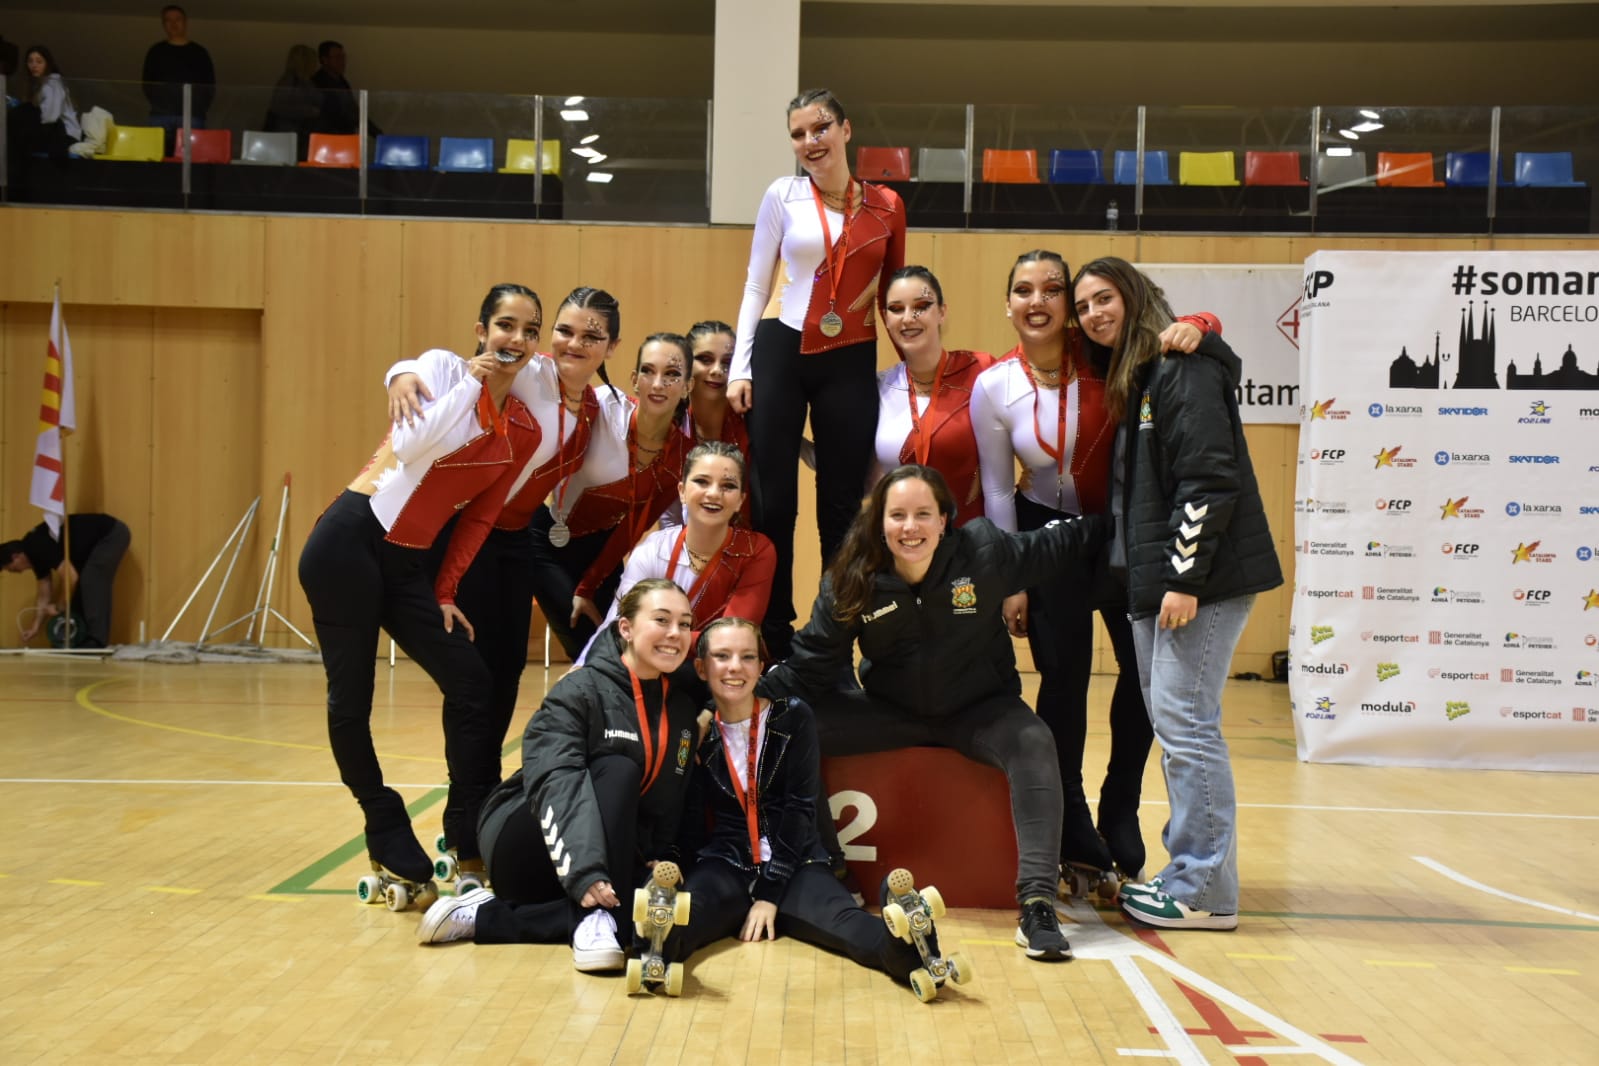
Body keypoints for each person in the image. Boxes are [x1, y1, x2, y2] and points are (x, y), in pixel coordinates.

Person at [762, 464, 1107, 962]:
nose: (910, 527)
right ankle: (833, 869)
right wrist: (736, 704)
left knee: (1034, 740)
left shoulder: (985, 553)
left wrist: (1135, 524)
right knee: (796, 724)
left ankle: (1036, 904)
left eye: (923, 514)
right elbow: (808, 664)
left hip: (980, 710)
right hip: (893, 711)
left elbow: (1069, 540)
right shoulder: (852, 579)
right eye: (898, 515)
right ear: (880, 521)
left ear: (945, 519)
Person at [971, 249, 1221, 894]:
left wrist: (1203, 320)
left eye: (1053, 289)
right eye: (1022, 289)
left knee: (1141, 679)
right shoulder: (995, 384)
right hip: (1046, 540)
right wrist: (1012, 577)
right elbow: (997, 492)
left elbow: (1168, 330)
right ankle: (1073, 823)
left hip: (1121, 535)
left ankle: (1121, 806)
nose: (1039, 301)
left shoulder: (1110, 358)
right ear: (1008, 304)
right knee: (1063, 681)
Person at [296, 283, 543, 902]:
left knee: (472, 681)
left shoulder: (523, 431)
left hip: (407, 568)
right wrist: (468, 386)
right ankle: (382, 820)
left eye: (528, 329)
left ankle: (467, 828)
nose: (515, 338)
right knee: (351, 701)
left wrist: (446, 589)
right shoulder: (438, 369)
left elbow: (481, 517)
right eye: (505, 325)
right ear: (482, 330)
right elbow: (408, 448)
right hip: (349, 544)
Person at [1071, 257, 1282, 931]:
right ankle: (1190, 869)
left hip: (1199, 583)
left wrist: (1184, 580)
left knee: (1187, 725)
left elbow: (1208, 481)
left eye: (1103, 297)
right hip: (1157, 583)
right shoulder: (1144, 375)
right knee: (1177, 724)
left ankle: (1204, 890)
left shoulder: (1180, 367)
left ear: (1133, 298)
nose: (1092, 313)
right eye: (1083, 305)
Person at [652, 618, 961, 999]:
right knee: (685, 920)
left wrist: (769, 892)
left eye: (748, 657)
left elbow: (801, 808)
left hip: (794, 862)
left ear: (761, 666)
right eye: (722, 656)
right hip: (726, 863)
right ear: (701, 668)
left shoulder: (791, 716)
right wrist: (673, 858)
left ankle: (909, 937)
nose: (736, 667)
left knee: (846, 925)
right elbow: (689, 813)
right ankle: (655, 939)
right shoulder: (697, 731)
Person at [415, 579, 700, 973]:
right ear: (626, 629)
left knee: (659, 906)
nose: (675, 634)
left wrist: (657, 857)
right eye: (662, 620)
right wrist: (586, 874)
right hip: (526, 840)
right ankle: (593, 917)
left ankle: (486, 916)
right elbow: (557, 780)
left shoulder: (681, 710)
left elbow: (669, 799)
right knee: (617, 768)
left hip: (601, 862)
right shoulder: (580, 690)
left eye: (685, 624)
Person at [727, 88, 906, 659]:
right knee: (774, 501)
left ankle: (835, 635)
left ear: (846, 130)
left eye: (820, 127)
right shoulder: (783, 195)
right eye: (799, 134)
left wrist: (912, 377)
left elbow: (893, 297)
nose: (811, 142)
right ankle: (774, 636)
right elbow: (758, 283)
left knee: (841, 504)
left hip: (850, 357)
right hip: (781, 350)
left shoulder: (887, 205)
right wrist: (740, 365)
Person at [530, 321, 692, 659]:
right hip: (545, 539)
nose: (658, 384)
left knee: (621, 651)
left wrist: (589, 585)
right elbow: (550, 372)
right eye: (648, 371)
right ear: (634, 379)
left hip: (602, 553)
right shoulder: (604, 406)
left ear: (688, 386)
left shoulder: (682, 455)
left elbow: (635, 525)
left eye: (672, 374)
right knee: (586, 646)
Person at [574, 441, 775, 675]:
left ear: (740, 500)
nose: (713, 494)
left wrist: (652, 634)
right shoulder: (653, 550)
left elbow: (730, 638)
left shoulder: (756, 551)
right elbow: (617, 624)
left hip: (718, 676)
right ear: (681, 491)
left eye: (728, 486)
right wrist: (581, 668)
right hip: (653, 669)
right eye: (701, 481)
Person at [873, 266, 994, 527]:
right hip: (903, 542)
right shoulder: (878, 387)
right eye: (896, 309)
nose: (908, 318)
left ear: (941, 312)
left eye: (921, 306)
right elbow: (848, 465)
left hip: (968, 545)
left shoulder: (980, 370)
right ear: (885, 317)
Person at [658, 320, 751, 529]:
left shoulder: (755, 426)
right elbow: (669, 521)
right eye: (705, 359)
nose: (717, 370)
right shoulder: (670, 431)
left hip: (752, 552)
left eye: (727, 362)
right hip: (687, 553)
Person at [3, 513, 130, 647]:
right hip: (90, 547)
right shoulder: (33, 555)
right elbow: (44, 594)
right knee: (77, 589)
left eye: (11, 568)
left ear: (16, 556)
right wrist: (35, 627)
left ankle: (97, 640)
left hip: (110, 535)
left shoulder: (37, 546)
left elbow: (71, 577)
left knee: (91, 581)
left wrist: (59, 606)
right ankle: (80, 639)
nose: (17, 572)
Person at [141, 5, 214, 150]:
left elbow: (210, 85)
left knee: (192, 158)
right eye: (168, 20)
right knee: (158, 158)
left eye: (178, 19)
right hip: (161, 115)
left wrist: (198, 107)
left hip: (192, 115)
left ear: (185, 22)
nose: (173, 24)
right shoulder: (156, 51)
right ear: (163, 25)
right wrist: (159, 104)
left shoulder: (199, 52)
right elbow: (147, 83)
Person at [11, 46, 81, 161]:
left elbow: (50, 117)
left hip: (66, 136)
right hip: (56, 133)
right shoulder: (41, 83)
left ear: (47, 64)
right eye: (30, 61)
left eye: (39, 61)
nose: (34, 65)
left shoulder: (52, 84)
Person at [310, 40, 379, 137]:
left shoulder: (341, 82)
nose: (342, 61)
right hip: (327, 137)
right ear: (325, 60)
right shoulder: (316, 83)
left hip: (342, 135)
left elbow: (353, 112)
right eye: (338, 57)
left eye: (343, 57)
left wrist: (377, 134)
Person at [262, 44, 320, 156]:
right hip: (288, 131)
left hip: (300, 131)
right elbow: (280, 106)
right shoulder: (290, 81)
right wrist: (310, 110)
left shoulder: (305, 81)